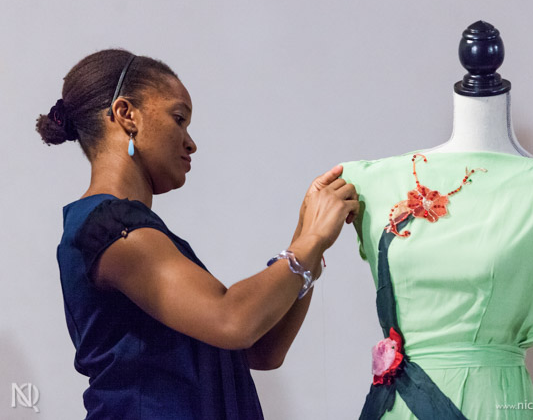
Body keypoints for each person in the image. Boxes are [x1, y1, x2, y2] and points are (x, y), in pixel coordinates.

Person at [36, 48, 359, 419]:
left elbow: (262, 350)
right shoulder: (109, 229)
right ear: (126, 114)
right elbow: (232, 320)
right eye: (178, 119)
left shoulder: (134, 231)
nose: (190, 143)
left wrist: (308, 236)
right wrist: (311, 241)